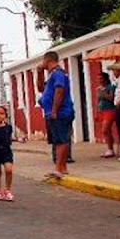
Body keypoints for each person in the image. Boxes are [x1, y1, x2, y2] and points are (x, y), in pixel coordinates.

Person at [36, 51, 76, 179]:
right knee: (57, 140)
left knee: (61, 140)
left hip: (60, 112)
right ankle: (62, 167)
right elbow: (41, 89)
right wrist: (39, 73)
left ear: (47, 60)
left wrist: (54, 110)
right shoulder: (51, 75)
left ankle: (59, 168)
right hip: (52, 112)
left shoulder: (58, 74)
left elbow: (59, 91)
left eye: (43, 61)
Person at [96, 72, 119, 158]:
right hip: (102, 109)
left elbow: (111, 98)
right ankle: (110, 148)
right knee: (107, 131)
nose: (99, 80)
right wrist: (97, 112)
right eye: (98, 79)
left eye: (101, 78)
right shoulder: (98, 89)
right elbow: (98, 101)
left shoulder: (111, 87)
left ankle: (110, 149)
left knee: (105, 129)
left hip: (110, 109)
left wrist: (104, 93)